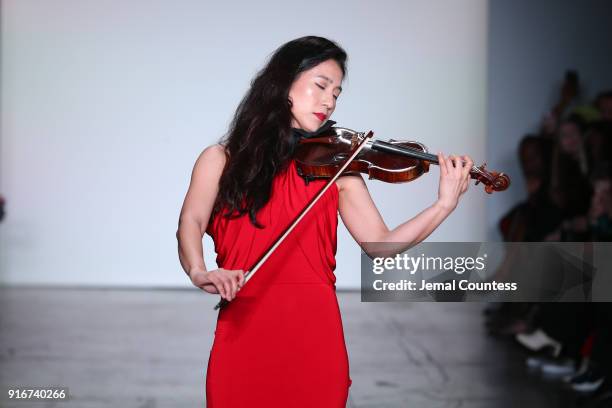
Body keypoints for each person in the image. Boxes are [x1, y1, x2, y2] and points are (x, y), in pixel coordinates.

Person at [176, 36, 473, 407]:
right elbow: (191, 220)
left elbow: (381, 246)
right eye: (320, 86)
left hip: (315, 336)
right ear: (283, 83)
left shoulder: (339, 169)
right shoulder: (220, 158)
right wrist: (199, 270)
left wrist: (443, 205)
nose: (329, 101)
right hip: (244, 335)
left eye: (336, 93)